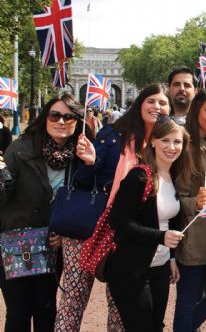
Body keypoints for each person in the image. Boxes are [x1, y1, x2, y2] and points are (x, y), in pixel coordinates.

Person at [56, 83, 171, 332]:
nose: (156, 106)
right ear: (140, 103)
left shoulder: (166, 143)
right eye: (151, 100)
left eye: (162, 103)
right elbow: (85, 179)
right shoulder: (114, 133)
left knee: (119, 306)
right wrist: (90, 162)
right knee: (74, 299)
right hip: (90, 224)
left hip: (127, 233)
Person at [0, 93, 96, 332]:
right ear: (45, 118)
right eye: (55, 115)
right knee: (19, 310)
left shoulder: (80, 156)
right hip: (16, 241)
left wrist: (91, 164)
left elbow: (87, 204)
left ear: (78, 122)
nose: (61, 121)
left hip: (53, 245)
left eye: (69, 117)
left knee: (45, 309)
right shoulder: (20, 149)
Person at [105, 117, 193, 331]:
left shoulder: (173, 176)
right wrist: (160, 237)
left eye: (177, 141)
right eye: (166, 140)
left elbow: (169, 221)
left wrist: (171, 258)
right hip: (131, 269)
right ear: (153, 141)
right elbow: (118, 221)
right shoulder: (139, 176)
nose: (172, 147)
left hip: (160, 268)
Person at [173, 89, 206, 331]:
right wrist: (195, 202)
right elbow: (177, 198)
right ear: (196, 110)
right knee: (186, 305)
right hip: (189, 239)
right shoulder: (186, 147)